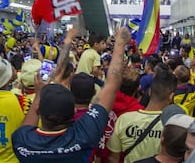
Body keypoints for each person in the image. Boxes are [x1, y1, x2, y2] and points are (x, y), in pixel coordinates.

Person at [12, 26, 131, 162]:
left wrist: (39, 96)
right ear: (74, 112)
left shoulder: (21, 141)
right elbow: (111, 85)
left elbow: (28, 125)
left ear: (39, 110)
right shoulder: (85, 133)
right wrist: (120, 43)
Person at [107, 70, 177, 163]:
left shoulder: (124, 119)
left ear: (149, 92)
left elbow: (113, 158)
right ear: (171, 96)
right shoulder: (172, 126)